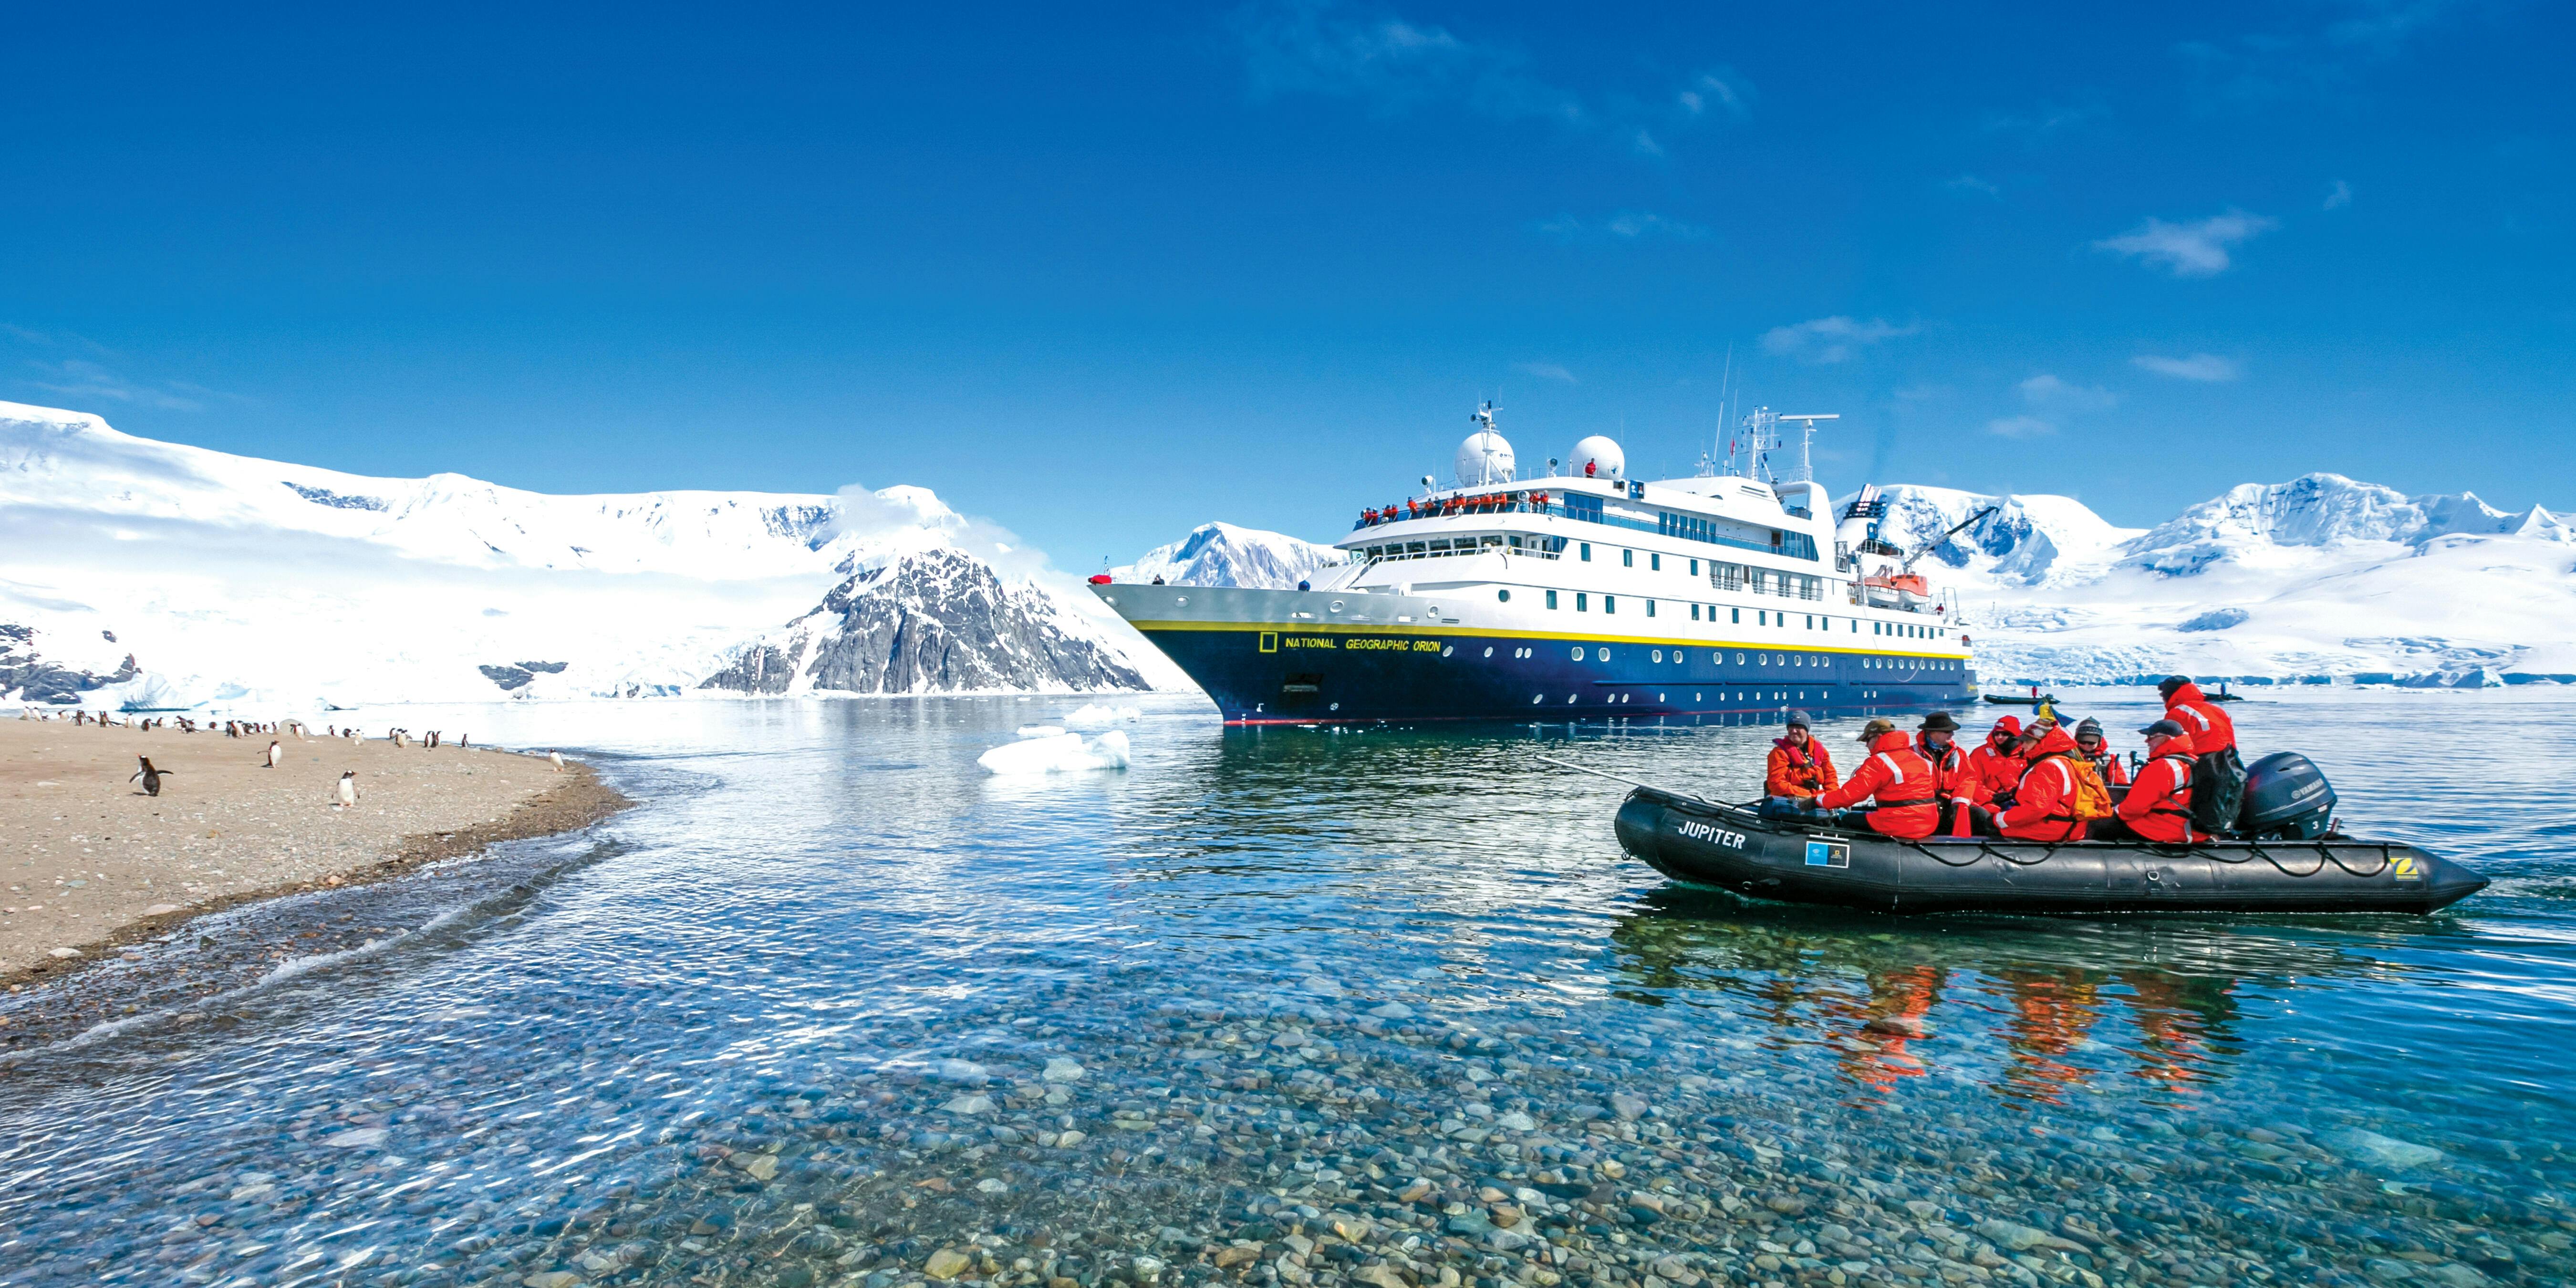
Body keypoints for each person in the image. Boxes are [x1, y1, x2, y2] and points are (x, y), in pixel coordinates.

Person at [1812, 719, 1940, 839]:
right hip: (1929, 823)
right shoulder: (1920, 759)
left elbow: (1851, 795)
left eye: (1867, 740)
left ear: (1878, 737)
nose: (1867, 745)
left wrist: (1818, 801)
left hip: (1901, 824)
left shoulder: (1879, 762)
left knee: (1848, 819)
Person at [2087, 720, 2203, 843]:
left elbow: (2134, 809)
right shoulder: (2195, 762)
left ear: (2165, 739)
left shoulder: (2162, 767)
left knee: (2100, 825)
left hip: (2166, 830)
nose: (2147, 742)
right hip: (2196, 831)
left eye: (2151, 737)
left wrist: (2112, 813)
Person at [1989, 723, 2095, 842]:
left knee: (1982, 819)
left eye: (2026, 741)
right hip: (2067, 826)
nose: (2021, 745)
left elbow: (2037, 809)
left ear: (2041, 742)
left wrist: (1998, 820)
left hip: (2049, 829)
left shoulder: (2047, 767)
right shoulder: (2065, 762)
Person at [1914, 711, 1981, 836]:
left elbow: (1969, 778)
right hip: (1924, 804)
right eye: (1947, 731)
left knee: (1982, 816)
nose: (1952, 734)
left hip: (1951, 802)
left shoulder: (1959, 753)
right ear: (1930, 732)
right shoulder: (1912, 754)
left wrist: (1960, 801)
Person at [1764, 710, 1839, 800]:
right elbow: (1776, 784)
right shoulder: (1779, 753)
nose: (1794, 731)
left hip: (1814, 798)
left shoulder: (1820, 751)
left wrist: (1831, 796)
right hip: (1788, 800)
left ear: (1806, 730)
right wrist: (1806, 796)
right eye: (1791, 727)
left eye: (1799, 727)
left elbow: (1831, 777)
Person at [1968, 716, 2025, 806]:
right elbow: (1972, 782)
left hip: (2023, 800)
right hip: (1990, 802)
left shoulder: (2028, 752)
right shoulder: (1980, 754)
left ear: (2015, 735)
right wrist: (1993, 797)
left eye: (2005, 734)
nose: (1999, 737)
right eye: (1997, 734)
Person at [2071, 717, 2130, 786]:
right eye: (2083, 741)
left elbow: (2120, 786)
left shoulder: (2110, 761)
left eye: (2092, 742)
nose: (2087, 745)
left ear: (2100, 741)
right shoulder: (2069, 758)